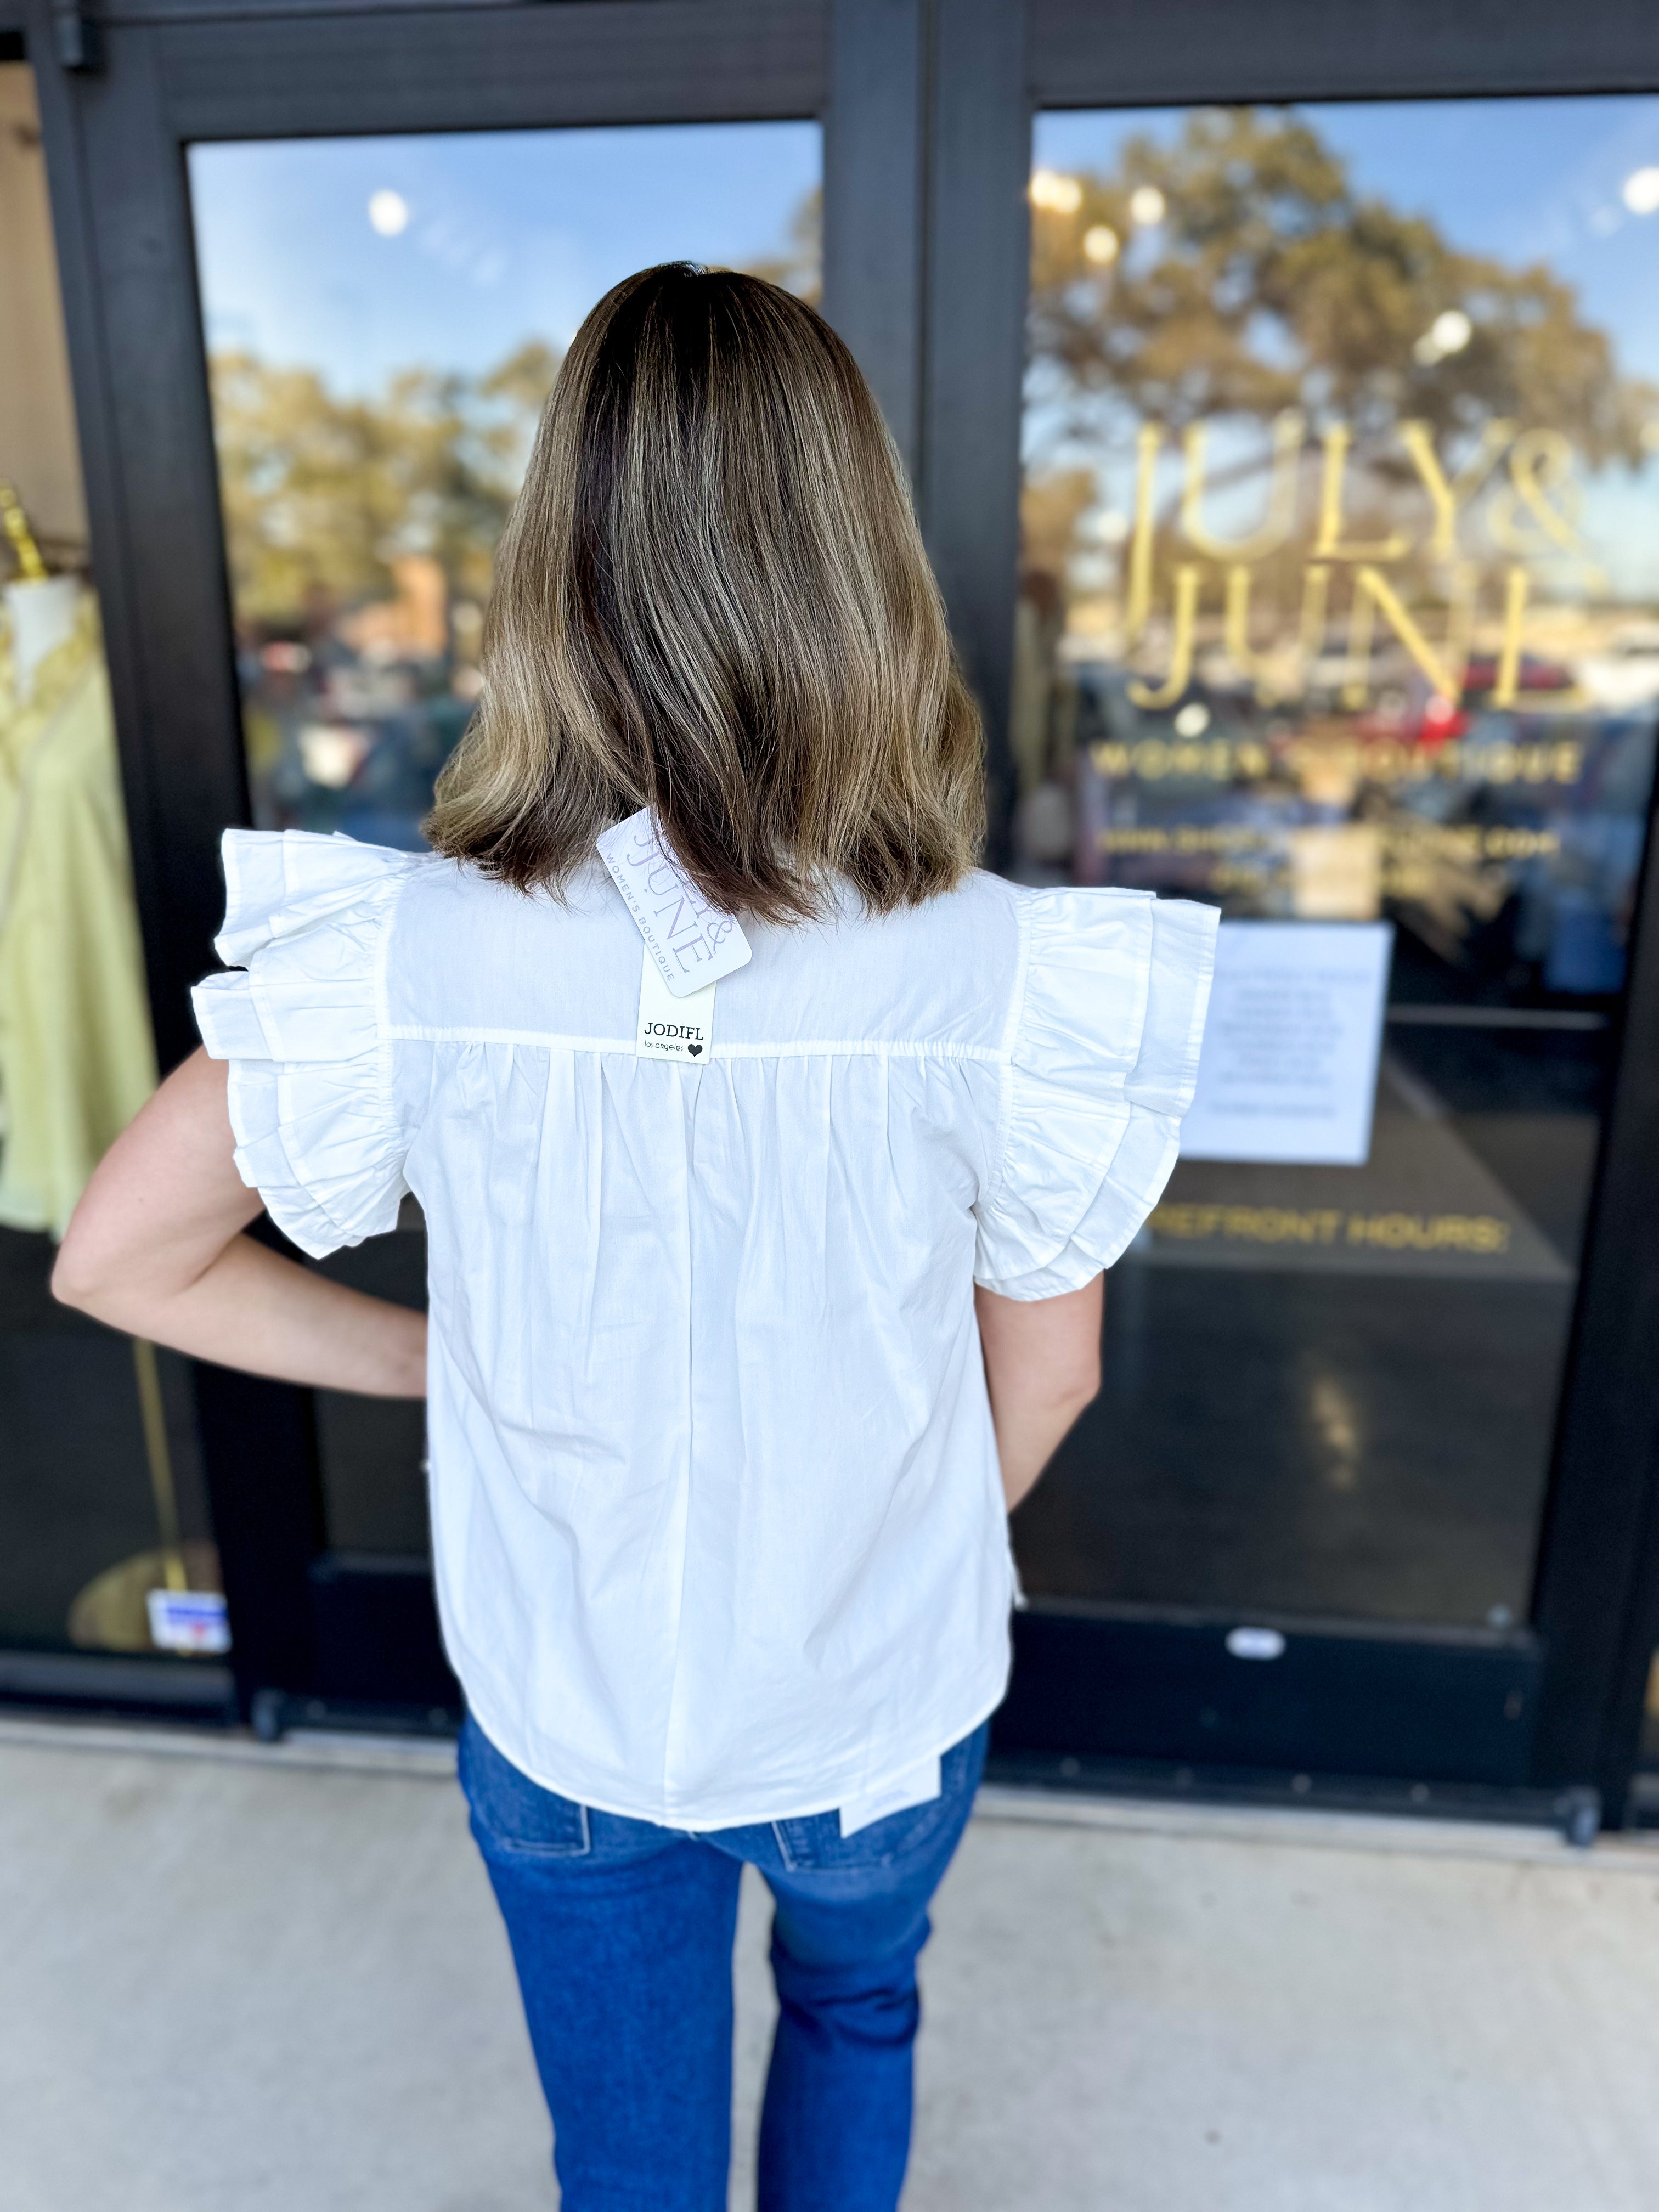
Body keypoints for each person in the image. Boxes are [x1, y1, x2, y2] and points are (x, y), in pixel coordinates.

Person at [53, 263, 1217, 2211]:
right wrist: (875, 1555)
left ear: (556, 568)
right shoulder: (1006, 973)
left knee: (628, 2157)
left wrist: (442, 1360)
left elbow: (118, 1257)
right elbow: (1058, 1365)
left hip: (568, 1712)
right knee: (859, 2015)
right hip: (878, 1716)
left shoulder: (412, 955)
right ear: (862, 560)